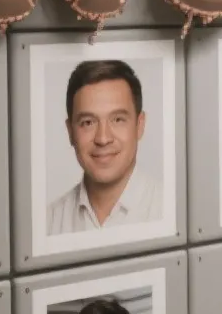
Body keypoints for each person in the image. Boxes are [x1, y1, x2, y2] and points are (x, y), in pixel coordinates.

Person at [47, 59, 160, 235]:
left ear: (140, 125)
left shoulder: (170, 208)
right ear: (70, 132)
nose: (103, 138)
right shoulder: (48, 221)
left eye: (117, 120)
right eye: (88, 122)